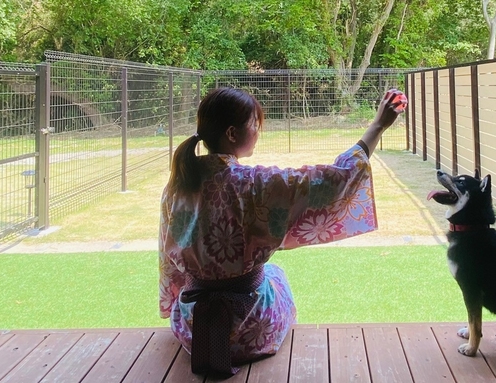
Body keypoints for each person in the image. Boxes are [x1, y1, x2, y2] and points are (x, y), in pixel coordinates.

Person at [158, 87, 406, 376]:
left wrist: (174, 300)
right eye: (254, 124)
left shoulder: (178, 185)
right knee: (275, 275)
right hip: (252, 331)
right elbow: (334, 180)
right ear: (232, 134)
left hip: (194, 329)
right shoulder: (255, 184)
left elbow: (168, 255)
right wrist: (378, 125)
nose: (258, 131)